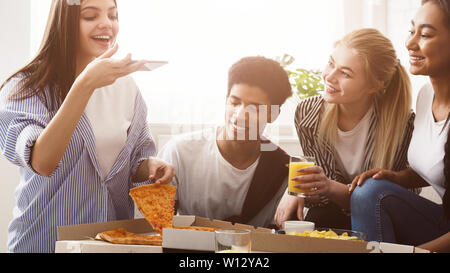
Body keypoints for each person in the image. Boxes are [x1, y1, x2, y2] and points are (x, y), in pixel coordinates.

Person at [0, 0, 174, 253]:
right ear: (65, 23)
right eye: (90, 16)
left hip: (109, 245)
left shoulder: (126, 88)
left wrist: (148, 167)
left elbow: (136, 158)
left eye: (113, 15)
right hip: (44, 242)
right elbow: (41, 161)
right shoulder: (28, 86)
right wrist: (85, 85)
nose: (107, 23)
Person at [274, 28, 415, 230]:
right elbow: (321, 200)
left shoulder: (402, 124)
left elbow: (392, 203)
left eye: (345, 73)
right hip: (330, 215)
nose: (329, 77)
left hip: (383, 221)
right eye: (331, 63)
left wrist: (328, 187)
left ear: (374, 85)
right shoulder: (308, 114)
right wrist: (295, 190)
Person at [350, 0, 450, 253]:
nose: (409, 43)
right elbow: (440, 166)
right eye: (412, 30)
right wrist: (397, 178)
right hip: (442, 222)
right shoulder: (426, 95)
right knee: (368, 190)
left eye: (425, 34)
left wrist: (416, 253)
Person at [157, 56, 292, 228]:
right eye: (234, 103)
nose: (240, 115)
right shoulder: (179, 152)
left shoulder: (283, 170)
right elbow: (158, 227)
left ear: (273, 114)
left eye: (255, 108)